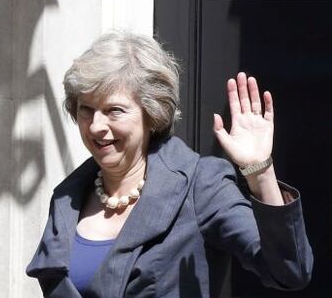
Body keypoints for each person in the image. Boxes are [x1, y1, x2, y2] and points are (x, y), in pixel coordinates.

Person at [26, 31, 313, 297]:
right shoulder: (68, 197)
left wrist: (260, 172)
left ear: (152, 114)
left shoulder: (200, 184)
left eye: (114, 110)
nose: (96, 125)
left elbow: (289, 271)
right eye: (86, 109)